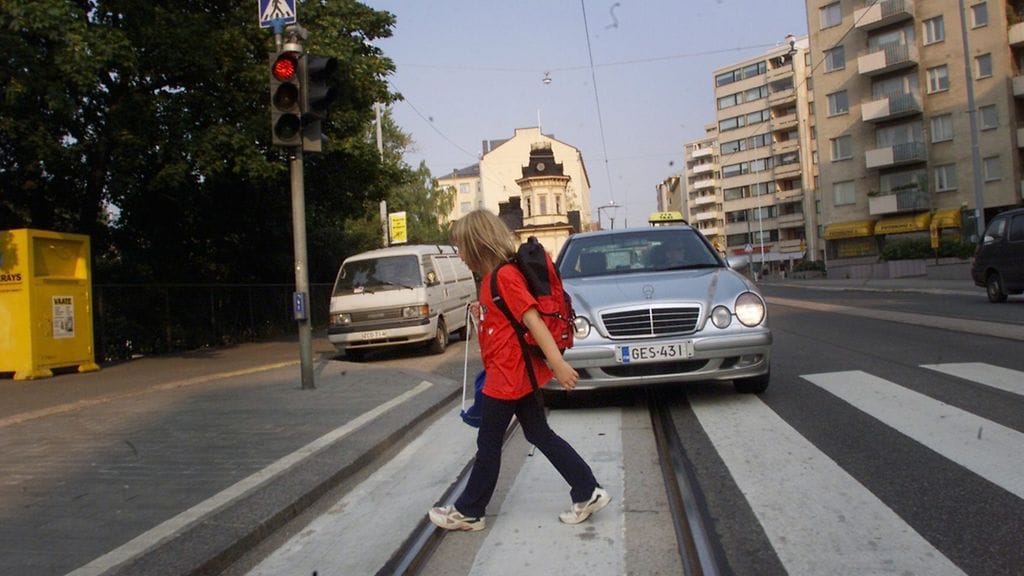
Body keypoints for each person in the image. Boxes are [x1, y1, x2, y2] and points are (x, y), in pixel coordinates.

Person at [428, 209, 610, 532]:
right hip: (513, 374)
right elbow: (504, 316)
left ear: (477, 244)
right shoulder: (490, 279)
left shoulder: (504, 277)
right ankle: (587, 490)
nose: (460, 255)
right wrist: (482, 310)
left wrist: (558, 364)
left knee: (489, 443)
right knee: (539, 433)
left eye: (461, 247)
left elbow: (532, 321)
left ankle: (469, 510)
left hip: (508, 377)